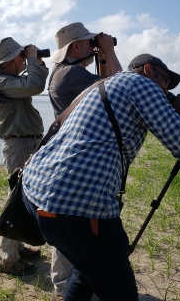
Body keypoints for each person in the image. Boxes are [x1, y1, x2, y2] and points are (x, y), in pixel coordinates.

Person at [22, 53, 180, 300]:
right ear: (148, 70)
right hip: (75, 205)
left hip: (37, 190)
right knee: (121, 292)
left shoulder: (104, 83)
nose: (166, 90)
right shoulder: (143, 84)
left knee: (89, 267)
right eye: (165, 81)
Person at [47, 22, 122, 300]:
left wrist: (102, 54)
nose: (93, 46)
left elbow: (103, 88)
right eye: (89, 42)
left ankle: (71, 283)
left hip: (73, 155)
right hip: (73, 158)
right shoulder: (69, 75)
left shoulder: (67, 72)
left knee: (74, 222)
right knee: (72, 223)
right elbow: (115, 87)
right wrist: (109, 51)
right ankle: (65, 286)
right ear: (75, 47)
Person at [0, 37, 49, 276]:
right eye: (21, 56)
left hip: (25, 144)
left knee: (21, 199)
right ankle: (7, 259)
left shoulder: (9, 80)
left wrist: (35, 61)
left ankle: (17, 247)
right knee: (16, 202)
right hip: (19, 146)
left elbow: (35, 80)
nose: (24, 59)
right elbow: (35, 85)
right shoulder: (1, 81)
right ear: (11, 59)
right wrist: (32, 60)